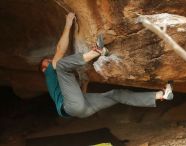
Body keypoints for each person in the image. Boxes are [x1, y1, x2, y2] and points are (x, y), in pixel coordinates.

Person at [40, 12, 173, 118]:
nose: (51, 60)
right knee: (62, 65)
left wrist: (84, 84)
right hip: (73, 107)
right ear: (43, 69)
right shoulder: (49, 73)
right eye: (48, 61)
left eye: (50, 59)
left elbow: (78, 98)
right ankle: (96, 51)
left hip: (83, 109)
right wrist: (68, 23)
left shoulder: (59, 85)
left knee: (116, 94)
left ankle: (161, 95)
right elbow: (59, 49)